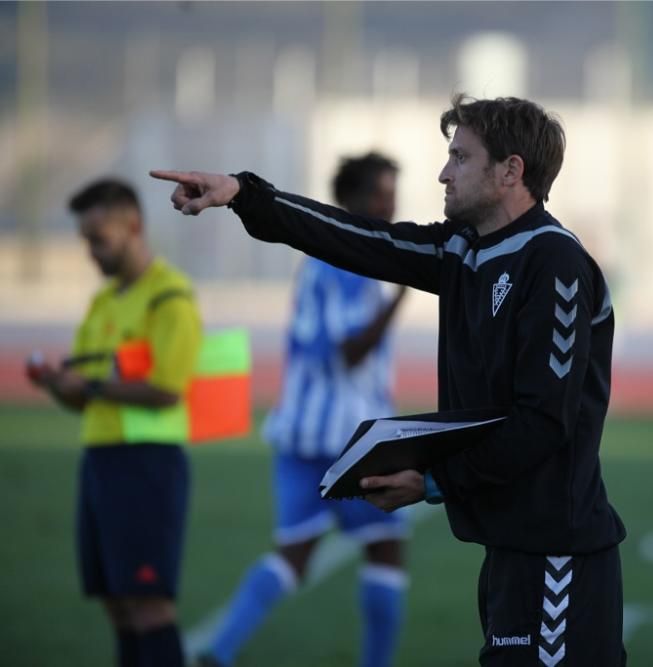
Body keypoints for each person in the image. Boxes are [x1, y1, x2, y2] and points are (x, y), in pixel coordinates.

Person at [152, 94, 627, 667]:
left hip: (558, 554)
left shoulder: (553, 262)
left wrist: (431, 481)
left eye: (460, 157)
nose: (442, 173)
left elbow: (543, 422)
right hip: (510, 546)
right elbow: (359, 239)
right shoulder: (465, 250)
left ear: (510, 171)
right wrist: (244, 195)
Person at [197, 153, 409, 667]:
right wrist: (404, 291)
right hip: (346, 438)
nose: (391, 204)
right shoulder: (346, 262)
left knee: (294, 555)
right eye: (382, 194)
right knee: (385, 550)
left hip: (300, 434)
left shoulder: (327, 257)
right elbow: (348, 352)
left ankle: (219, 650)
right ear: (354, 200)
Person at [26, 179, 202, 667]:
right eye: (85, 240)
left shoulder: (169, 297)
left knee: (148, 606)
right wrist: (58, 385)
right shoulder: (104, 301)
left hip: (148, 466)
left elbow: (169, 389)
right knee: (118, 606)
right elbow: (84, 397)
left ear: (134, 226)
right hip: (101, 462)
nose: (90, 251)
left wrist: (91, 388)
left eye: (97, 238)